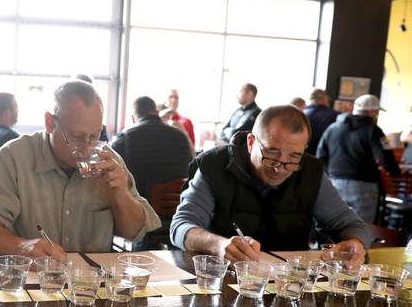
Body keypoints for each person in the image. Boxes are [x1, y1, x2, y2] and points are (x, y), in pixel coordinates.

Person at [0, 80, 160, 258]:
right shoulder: (13, 158)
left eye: (94, 136)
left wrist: (120, 195)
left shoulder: (108, 160)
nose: (86, 148)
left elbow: (135, 232)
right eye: (76, 137)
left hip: (92, 285)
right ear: (50, 123)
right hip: (30, 282)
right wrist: (20, 246)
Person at [170, 105, 370, 264]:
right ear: (251, 142)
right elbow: (180, 227)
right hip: (222, 282)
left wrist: (355, 242)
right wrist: (218, 245)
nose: (280, 166)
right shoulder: (213, 166)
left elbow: (350, 224)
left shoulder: (311, 171)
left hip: (289, 286)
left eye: (294, 156)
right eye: (272, 152)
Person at [112, 97, 193, 249]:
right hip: (176, 214)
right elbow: (191, 167)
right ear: (156, 112)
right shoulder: (180, 136)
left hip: (143, 219)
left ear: (133, 117)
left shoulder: (126, 138)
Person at [317, 94, 400, 223]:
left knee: (333, 225)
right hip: (364, 186)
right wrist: (396, 172)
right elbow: (385, 158)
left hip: (334, 183)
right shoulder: (373, 130)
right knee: (361, 229)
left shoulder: (333, 128)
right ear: (372, 111)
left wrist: (331, 175)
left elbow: (320, 156)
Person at [303, 88, 339, 154]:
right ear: (325, 98)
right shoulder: (335, 115)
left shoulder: (302, 114)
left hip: (303, 153)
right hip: (323, 155)